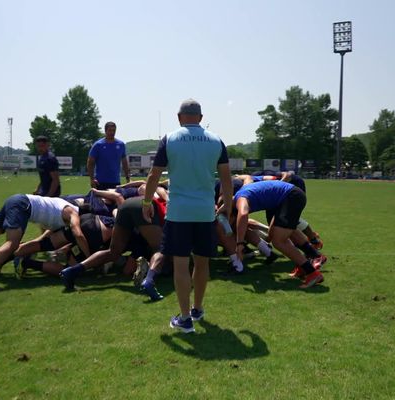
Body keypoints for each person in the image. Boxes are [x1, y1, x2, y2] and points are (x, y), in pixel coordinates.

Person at [143, 99, 233, 333]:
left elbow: (154, 176)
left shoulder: (170, 139)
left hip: (179, 211)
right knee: (202, 262)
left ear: (179, 117)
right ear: (201, 118)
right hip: (205, 211)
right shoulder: (216, 140)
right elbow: (226, 178)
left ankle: (185, 319)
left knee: (181, 264)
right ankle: (197, 309)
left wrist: (146, 201)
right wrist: (228, 205)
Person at [0, 194, 88, 291]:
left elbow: (46, 235)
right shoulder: (73, 213)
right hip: (23, 206)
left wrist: (31, 246)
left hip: (16, 200)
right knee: (12, 242)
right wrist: (88, 258)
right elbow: (78, 233)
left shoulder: (62, 211)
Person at [60, 196, 167, 301]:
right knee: (160, 248)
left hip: (127, 204)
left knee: (113, 252)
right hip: (145, 206)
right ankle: (149, 281)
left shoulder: (170, 200)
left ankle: (72, 271)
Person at [233, 180, 325, 289]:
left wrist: (239, 244)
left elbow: (243, 214)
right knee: (286, 232)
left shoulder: (240, 199)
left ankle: (312, 273)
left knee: (278, 241)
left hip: (291, 196)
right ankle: (312, 258)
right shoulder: (236, 197)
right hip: (289, 196)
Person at [87, 121, 130, 189]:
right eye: (110, 130)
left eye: (114, 130)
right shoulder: (98, 145)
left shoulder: (121, 144)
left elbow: (124, 162)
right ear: (105, 131)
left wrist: (128, 177)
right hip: (100, 182)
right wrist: (92, 179)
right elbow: (90, 162)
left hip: (116, 182)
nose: (112, 133)